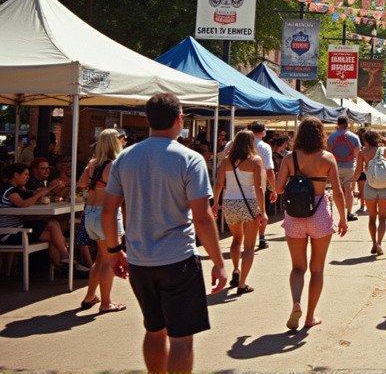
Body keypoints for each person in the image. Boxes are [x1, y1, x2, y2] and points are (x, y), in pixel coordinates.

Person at [102, 93, 226, 374]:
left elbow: (109, 211)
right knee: (181, 338)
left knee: (154, 329)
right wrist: (218, 262)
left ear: (147, 120)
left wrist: (113, 251)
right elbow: (203, 218)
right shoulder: (190, 159)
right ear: (179, 119)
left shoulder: (125, 158)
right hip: (177, 258)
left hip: (139, 259)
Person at [275, 116, 348, 330]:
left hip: (295, 214)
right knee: (317, 269)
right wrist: (343, 218)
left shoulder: (290, 157)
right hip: (319, 213)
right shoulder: (327, 158)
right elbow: (337, 191)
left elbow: (279, 189)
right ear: (320, 135)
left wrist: (294, 180)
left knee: (298, 267)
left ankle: (296, 302)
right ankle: (310, 316)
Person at [77, 129, 127, 312]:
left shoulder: (92, 164)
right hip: (106, 214)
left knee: (101, 258)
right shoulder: (114, 165)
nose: (125, 141)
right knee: (108, 260)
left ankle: (90, 296)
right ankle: (106, 303)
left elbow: (82, 183)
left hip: (90, 213)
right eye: (122, 139)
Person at [211, 131, 266, 295]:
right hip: (249, 203)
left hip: (229, 202)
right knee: (249, 245)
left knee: (236, 239)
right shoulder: (255, 160)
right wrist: (262, 211)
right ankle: (242, 284)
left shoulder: (227, 160)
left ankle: (236, 269)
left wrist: (215, 203)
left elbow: (219, 183)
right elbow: (259, 187)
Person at [0, 163, 71, 268]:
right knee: (54, 229)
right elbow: (23, 204)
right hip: (9, 233)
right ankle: (65, 260)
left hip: (18, 229)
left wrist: (50, 189)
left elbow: (33, 195)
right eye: (26, 174)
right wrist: (47, 189)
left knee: (55, 233)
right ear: (16, 175)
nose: (28, 177)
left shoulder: (16, 189)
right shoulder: (9, 191)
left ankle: (62, 265)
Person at [353, 130, 386, 256]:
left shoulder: (362, 153)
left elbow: (358, 172)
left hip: (370, 185)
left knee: (372, 218)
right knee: (383, 218)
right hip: (385, 186)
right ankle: (380, 243)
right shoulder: (385, 150)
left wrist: (351, 183)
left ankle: (373, 243)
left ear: (365, 140)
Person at [327, 116, 361, 221]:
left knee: (336, 191)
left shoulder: (331, 137)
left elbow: (328, 153)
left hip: (335, 167)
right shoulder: (354, 137)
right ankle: (349, 213)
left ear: (337, 124)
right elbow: (358, 155)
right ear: (348, 124)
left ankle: (338, 213)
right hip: (349, 166)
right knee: (349, 190)